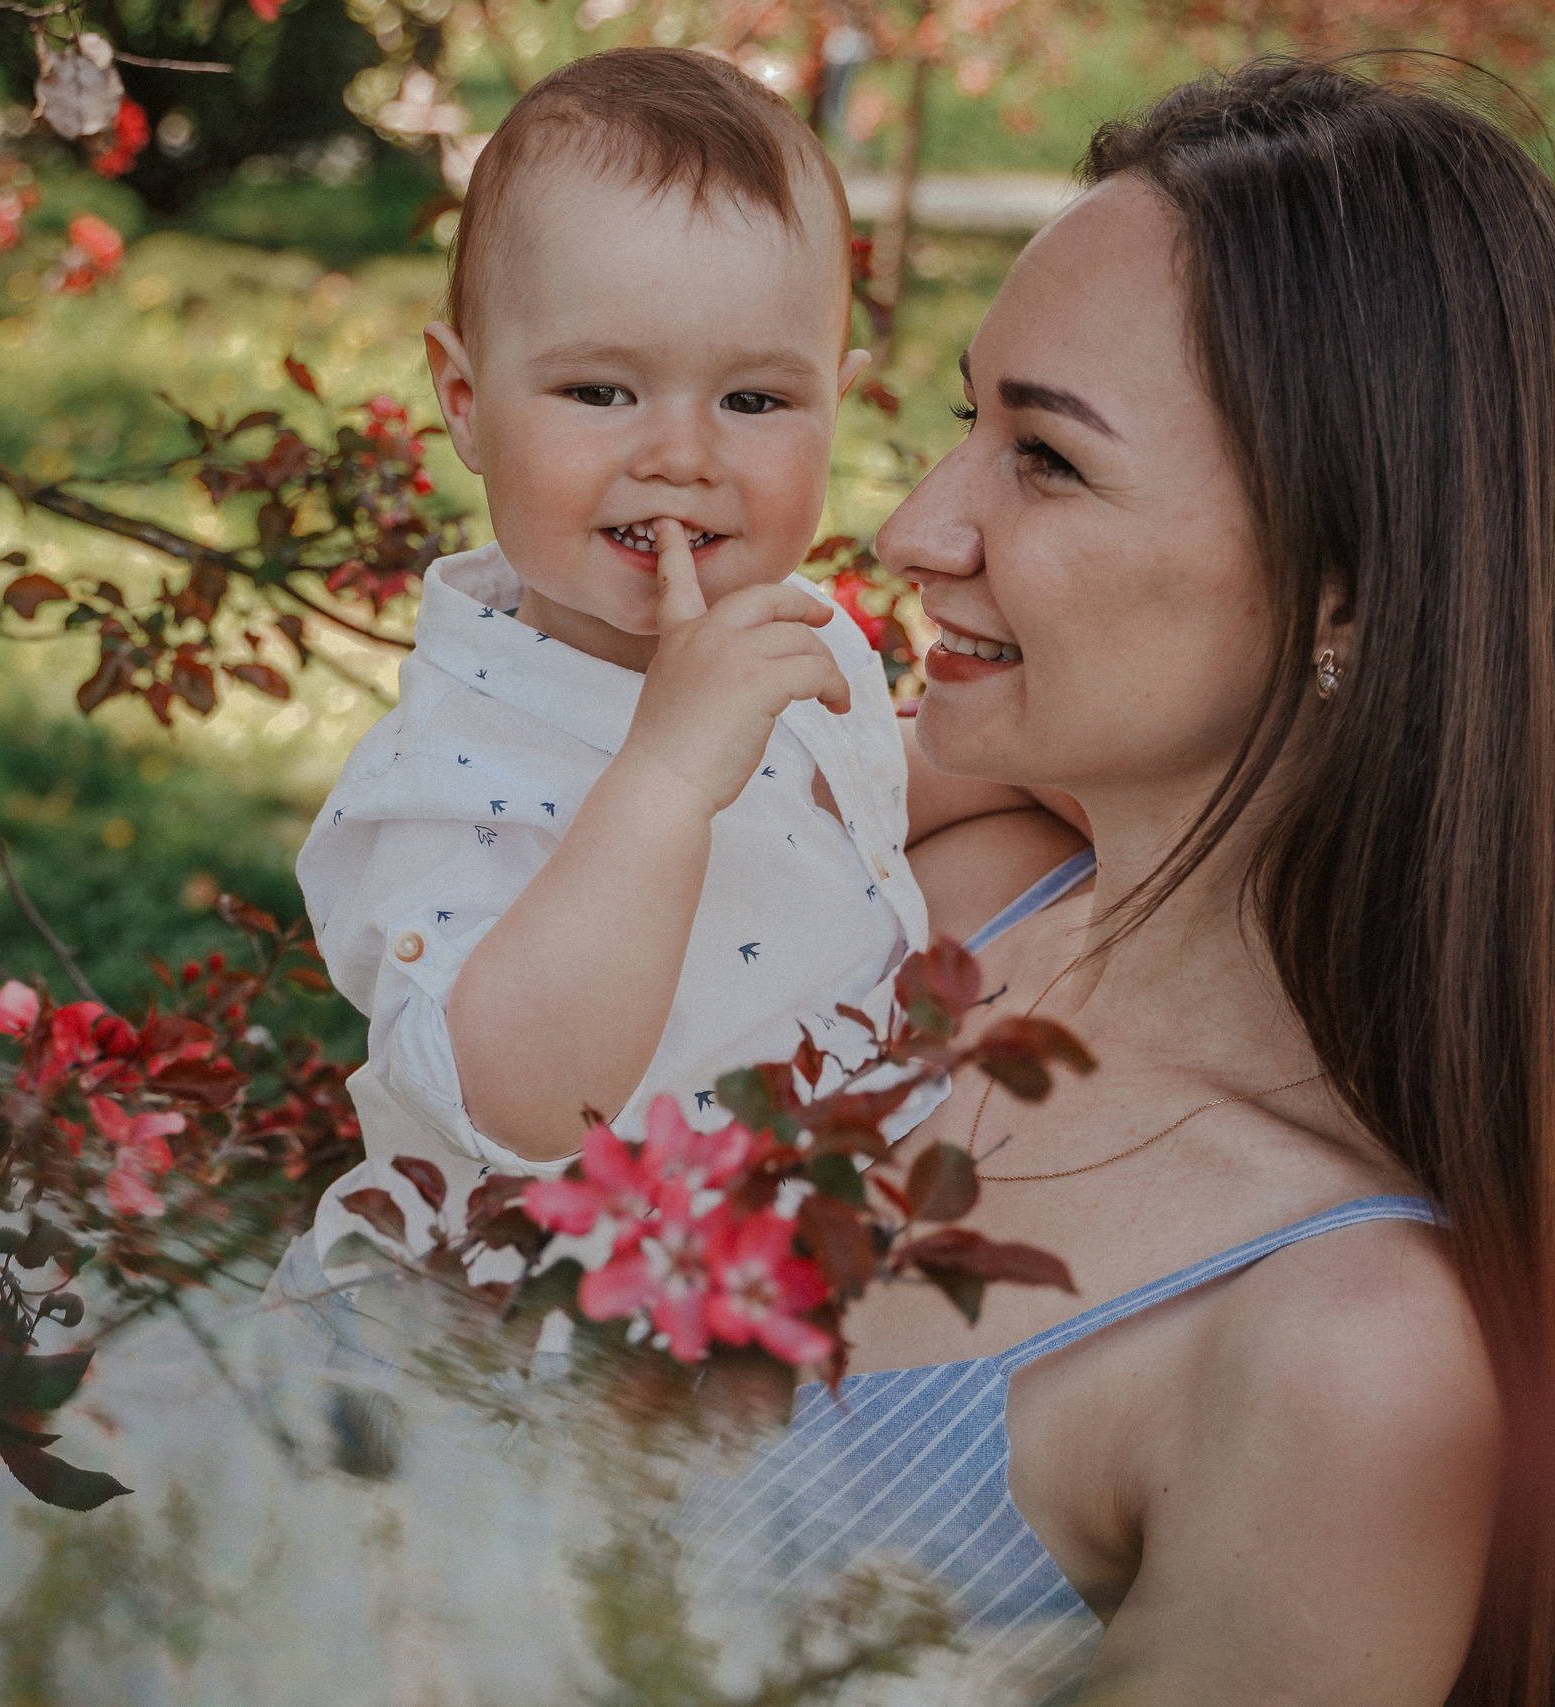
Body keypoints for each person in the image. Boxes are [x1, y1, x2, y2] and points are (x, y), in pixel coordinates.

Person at [679, 58, 1553, 1705]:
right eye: (969, 422)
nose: (915, 526)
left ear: (1350, 591)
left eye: (1050, 459)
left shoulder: (1335, 1354)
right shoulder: (940, 899)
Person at [276, 48, 1079, 1313]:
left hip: (751, 1292)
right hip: (505, 1345)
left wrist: (1045, 766)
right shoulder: (450, 773)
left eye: (754, 400)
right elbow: (523, 1106)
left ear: (836, 408)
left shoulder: (791, 639)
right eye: (600, 390)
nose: (680, 455)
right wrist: (659, 779)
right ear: (466, 402)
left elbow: (847, 797)